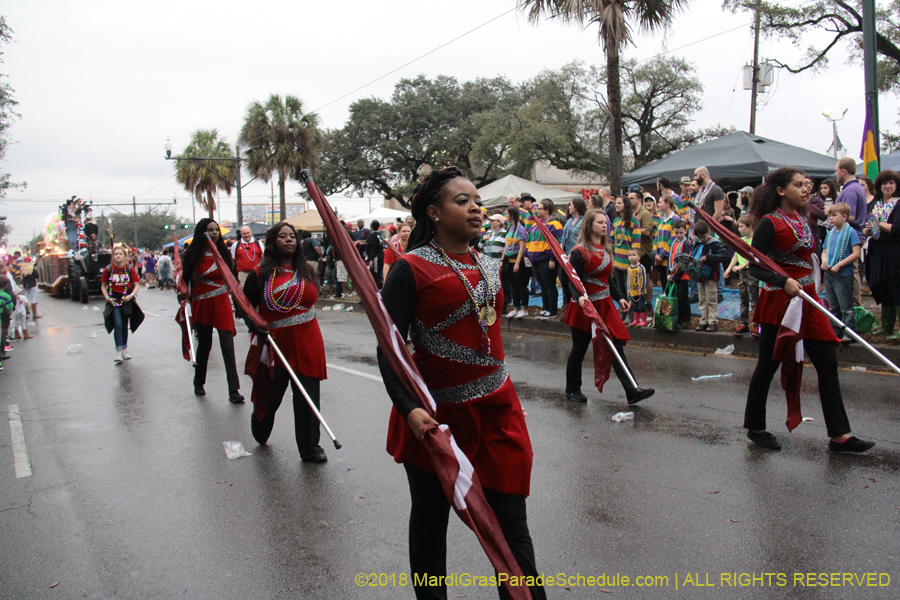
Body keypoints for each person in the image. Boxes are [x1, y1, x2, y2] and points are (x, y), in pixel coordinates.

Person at [377, 166, 546, 600]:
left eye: (478, 201)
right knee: (431, 523)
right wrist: (409, 409)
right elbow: (390, 349)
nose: (475, 208)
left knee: (511, 525)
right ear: (432, 212)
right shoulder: (409, 269)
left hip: (497, 414)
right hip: (436, 417)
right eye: (462, 201)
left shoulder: (489, 263)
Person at [744, 167, 874, 453]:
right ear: (780, 190)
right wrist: (783, 280)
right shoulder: (768, 222)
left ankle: (840, 435)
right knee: (768, 364)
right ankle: (755, 426)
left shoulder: (803, 218)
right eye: (798, 185)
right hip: (780, 302)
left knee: (827, 362)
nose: (806, 189)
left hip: (809, 299)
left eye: (807, 185)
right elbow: (755, 266)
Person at [242, 222, 328, 463]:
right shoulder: (259, 275)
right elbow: (245, 308)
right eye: (282, 236)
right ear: (273, 241)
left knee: (307, 398)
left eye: (292, 236)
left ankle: (310, 447)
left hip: (308, 342)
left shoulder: (308, 272)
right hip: (275, 346)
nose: (289, 239)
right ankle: (260, 424)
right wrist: (256, 327)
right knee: (270, 395)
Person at [563, 209, 654, 404]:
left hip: (605, 306)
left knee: (616, 347)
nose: (604, 225)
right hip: (584, 308)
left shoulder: (606, 248)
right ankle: (572, 389)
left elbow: (607, 277)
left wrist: (619, 297)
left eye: (605, 222)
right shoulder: (579, 252)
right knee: (579, 349)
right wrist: (579, 297)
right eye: (599, 222)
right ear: (589, 225)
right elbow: (571, 279)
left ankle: (632, 390)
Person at [180, 218, 243, 403]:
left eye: (217, 230)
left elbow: (231, 280)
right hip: (202, 303)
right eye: (211, 230)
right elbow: (184, 279)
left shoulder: (222, 253)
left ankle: (234, 390)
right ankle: (198, 381)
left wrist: (240, 302)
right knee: (205, 346)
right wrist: (183, 295)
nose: (215, 233)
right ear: (202, 232)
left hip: (221, 302)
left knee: (227, 345)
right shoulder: (193, 254)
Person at [863, 169, 900, 337]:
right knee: (883, 287)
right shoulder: (876, 204)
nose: (887, 186)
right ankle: (887, 326)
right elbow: (869, 226)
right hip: (877, 251)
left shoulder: (898, 204)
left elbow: (897, 229)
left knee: (896, 288)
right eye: (884, 183)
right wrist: (867, 230)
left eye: (891, 183)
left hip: (894, 252)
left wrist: (878, 223)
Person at [822, 202, 861, 341]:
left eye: (834, 215)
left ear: (844, 217)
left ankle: (850, 332)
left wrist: (839, 264)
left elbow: (856, 253)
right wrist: (824, 261)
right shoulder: (830, 233)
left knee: (846, 305)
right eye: (830, 215)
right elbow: (824, 250)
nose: (831, 218)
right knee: (833, 306)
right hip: (830, 273)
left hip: (843, 274)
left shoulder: (851, 232)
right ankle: (835, 331)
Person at [100, 246, 144, 363]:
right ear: (113, 256)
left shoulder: (129, 269)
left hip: (126, 300)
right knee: (117, 324)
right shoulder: (108, 269)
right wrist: (107, 297)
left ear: (125, 256)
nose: (118, 256)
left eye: (120, 254)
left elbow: (137, 285)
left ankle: (124, 349)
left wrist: (131, 295)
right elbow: (103, 285)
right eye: (116, 254)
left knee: (124, 325)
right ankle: (118, 351)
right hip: (114, 300)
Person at [835, 157, 867, 305]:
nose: (836, 174)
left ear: (843, 171)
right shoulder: (857, 188)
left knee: (850, 271)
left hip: (850, 235)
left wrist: (831, 212)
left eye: (836, 171)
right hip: (854, 235)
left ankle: (854, 305)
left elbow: (850, 216)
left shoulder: (850, 190)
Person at [526, 199, 563, 319]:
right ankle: (545, 307)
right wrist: (527, 254)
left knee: (549, 284)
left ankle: (552, 310)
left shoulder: (555, 224)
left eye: (540, 208)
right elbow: (529, 240)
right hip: (534, 259)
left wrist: (552, 259)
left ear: (547, 210)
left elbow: (556, 243)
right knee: (542, 285)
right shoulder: (535, 224)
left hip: (546, 259)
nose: (537, 210)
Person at [690, 220, 728, 332]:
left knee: (711, 299)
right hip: (699, 276)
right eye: (699, 237)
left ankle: (712, 321)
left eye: (703, 236)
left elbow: (724, 256)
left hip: (711, 275)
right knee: (702, 299)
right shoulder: (698, 244)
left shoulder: (715, 243)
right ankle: (703, 320)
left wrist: (709, 258)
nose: (701, 239)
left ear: (709, 232)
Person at [725, 215, 760, 337]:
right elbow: (736, 255)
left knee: (754, 300)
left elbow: (753, 258)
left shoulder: (756, 241)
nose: (739, 229)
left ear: (750, 227)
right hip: (742, 275)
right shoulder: (742, 241)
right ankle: (744, 324)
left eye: (741, 226)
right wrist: (729, 269)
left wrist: (740, 267)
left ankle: (757, 326)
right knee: (743, 299)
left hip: (751, 273)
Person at [612, 195, 641, 323]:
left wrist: (633, 259)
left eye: (619, 203)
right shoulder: (616, 221)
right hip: (617, 260)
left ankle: (631, 313)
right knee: (620, 289)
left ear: (625, 205)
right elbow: (612, 240)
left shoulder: (634, 221)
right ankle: (622, 311)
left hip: (628, 261)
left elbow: (636, 241)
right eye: (616, 203)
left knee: (629, 288)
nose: (616, 205)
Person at [504, 206, 530, 318]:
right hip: (509, 260)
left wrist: (518, 263)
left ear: (512, 215)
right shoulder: (510, 228)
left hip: (517, 260)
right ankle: (516, 307)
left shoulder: (520, 229)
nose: (506, 216)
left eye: (507, 214)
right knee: (513, 285)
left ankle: (524, 308)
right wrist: (502, 259)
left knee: (520, 284)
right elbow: (506, 245)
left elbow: (522, 247)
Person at [666, 221, 693, 329]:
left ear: (685, 232)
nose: (679, 235)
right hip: (673, 274)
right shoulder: (674, 243)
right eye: (677, 233)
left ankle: (686, 319)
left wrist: (676, 276)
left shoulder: (686, 244)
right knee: (675, 298)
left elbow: (685, 262)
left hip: (682, 276)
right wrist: (668, 272)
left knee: (683, 298)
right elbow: (670, 259)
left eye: (681, 233)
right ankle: (678, 318)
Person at [560, 198, 586, 308]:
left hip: (575, 255)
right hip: (565, 255)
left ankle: (576, 304)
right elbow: (563, 237)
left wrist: (572, 253)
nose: (569, 208)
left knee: (574, 281)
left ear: (576, 206)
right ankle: (568, 304)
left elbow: (581, 239)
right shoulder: (569, 221)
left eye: (570, 205)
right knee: (563, 280)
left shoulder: (583, 221)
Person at [650, 195, 680, 289]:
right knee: (664, 285)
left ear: (667, 204)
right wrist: (655, 253)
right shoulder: (661, 219)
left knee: (671, 286)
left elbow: (673, 239)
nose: (658, 204)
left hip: (669, 260)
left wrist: (662, 255)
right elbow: (656, 237)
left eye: (660, 202)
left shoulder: (675, 219)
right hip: (659, 260)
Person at [626, 249, 650, 326]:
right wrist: (628, 289)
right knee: (635, 306)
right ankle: (636, 320)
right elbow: (628, 279)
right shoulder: (629, 268)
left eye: (633, 255)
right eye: (629, 255)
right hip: (633, 291)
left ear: (639, 257)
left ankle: (643, 320)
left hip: (640, 292)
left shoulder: (641, 268)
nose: (631, 257)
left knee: (641, 306)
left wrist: (642, 290)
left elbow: (644, 279)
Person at [365, 220, 385, 289]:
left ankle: (378, 289)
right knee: (378, 273)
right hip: (380, 256)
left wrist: (370, 259)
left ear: (371, 227)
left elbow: (372, 248)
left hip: (376, 257)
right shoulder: (379, 235)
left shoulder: (373, 236)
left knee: (375, 274)